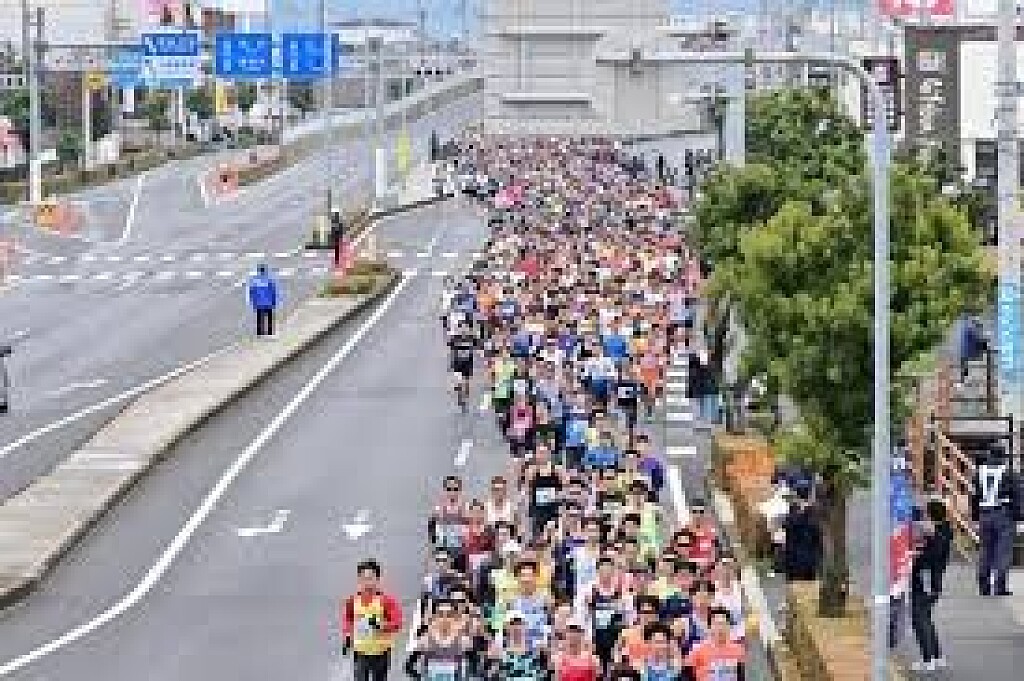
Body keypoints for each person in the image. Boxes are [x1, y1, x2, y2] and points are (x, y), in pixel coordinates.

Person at [342, 559, 404, 681]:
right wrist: (347, 637)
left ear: (377, 579)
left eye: (370, 578)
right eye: (364, 578)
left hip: (381, 652)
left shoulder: (386, 601)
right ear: (359, 579)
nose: (367, 582)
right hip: (361, 652)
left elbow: (397, 623)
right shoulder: (352, 601)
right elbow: (348, 620)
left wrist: (381, 626)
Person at [909, 500, 953, 673]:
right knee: (926, 618)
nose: (923, 517)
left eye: (925, 513)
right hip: (933, 581)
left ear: (931, 516)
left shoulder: (937, 536)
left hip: (925, 581)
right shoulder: (942, 532)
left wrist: (914, 557)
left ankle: (928, 659)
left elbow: (929, 558)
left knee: (919, 619)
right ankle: (936, 656)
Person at [971, 444, 1019, 596]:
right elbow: (1017, 495)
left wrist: (975, 517)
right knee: (1003, 551)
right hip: (1003, 513)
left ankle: (983, 586)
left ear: (989, 455)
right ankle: (999, 586)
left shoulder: (979, 472)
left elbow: (974, 496)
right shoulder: (1009, 473)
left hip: (984, 514)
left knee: (985, 550)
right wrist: (1018, 516)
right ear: (1003, 456)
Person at [247, 264, 279, 338]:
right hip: (268, 302)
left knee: (260, 317)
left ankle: (260, 332)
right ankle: (270, 332)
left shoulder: (255, 281)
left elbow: (252, 293)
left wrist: (253, 302)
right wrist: (274, 301)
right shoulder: (269, 280)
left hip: (259, 303)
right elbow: (273, 291)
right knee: (269, 317)